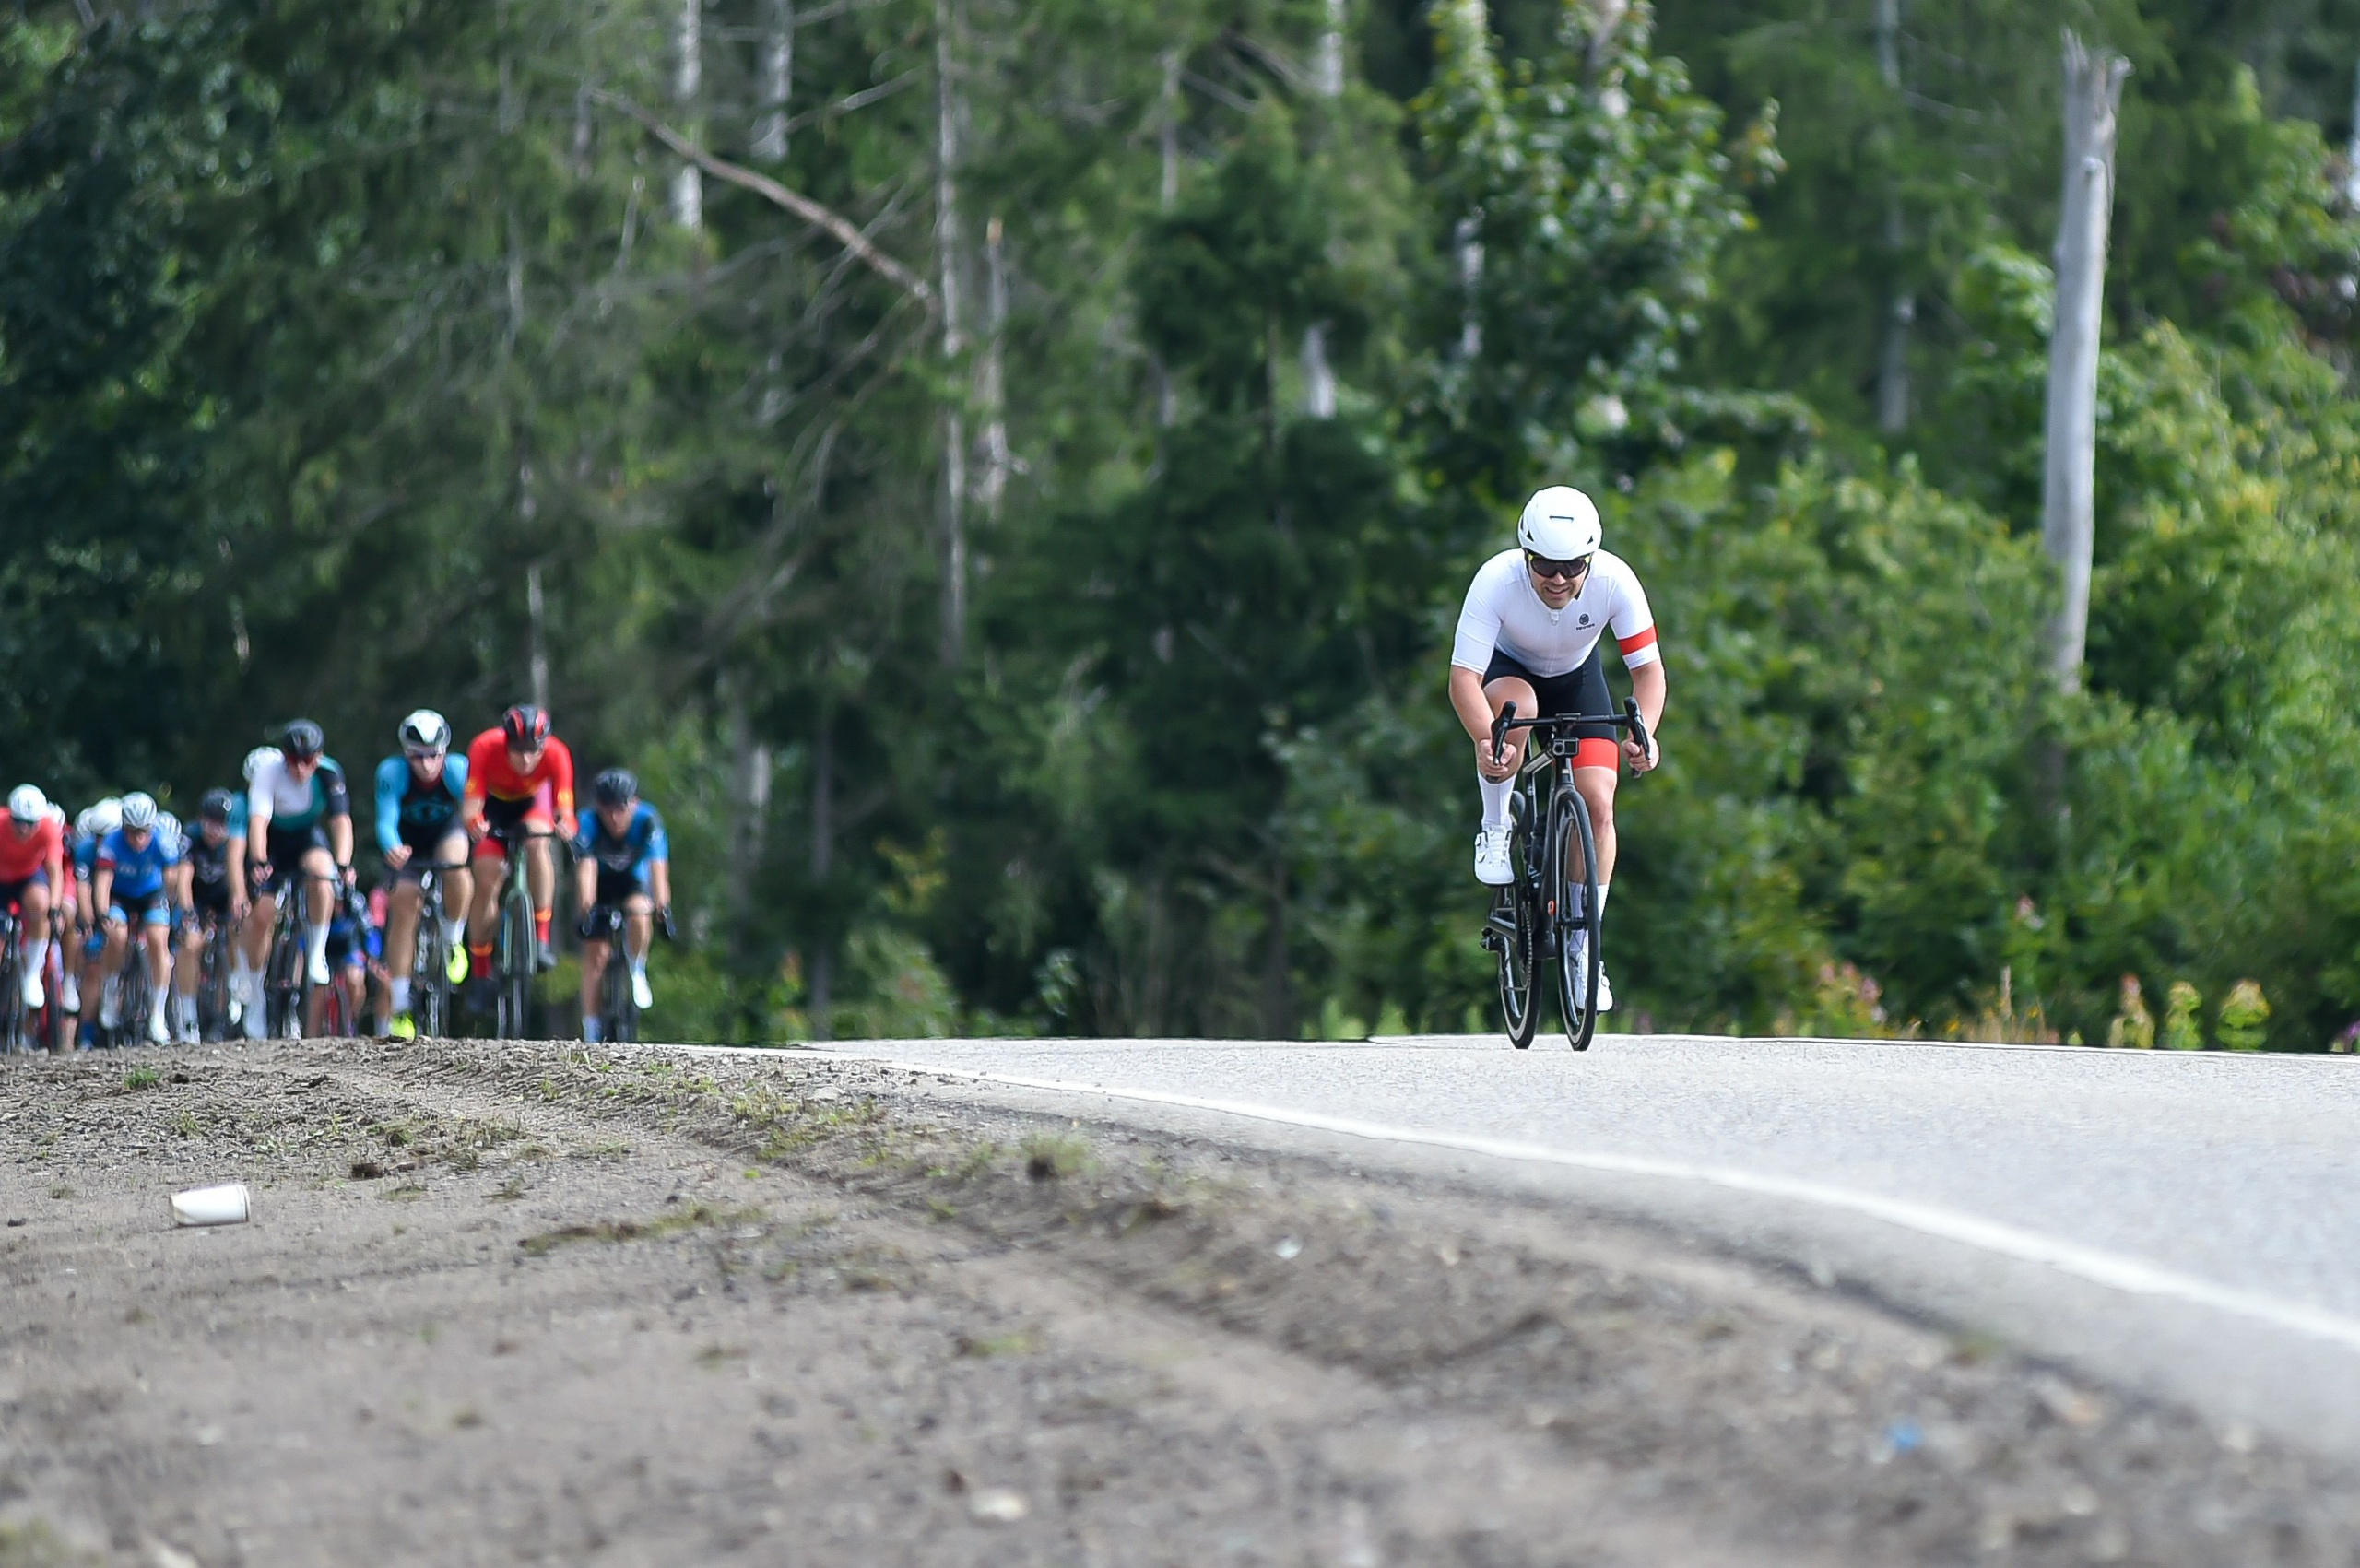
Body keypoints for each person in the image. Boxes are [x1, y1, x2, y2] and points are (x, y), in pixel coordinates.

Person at [1448, 484, 1665, 1013]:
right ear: (1526, 554)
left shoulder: (1615, 581)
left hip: (1576, 680)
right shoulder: (1496, 581)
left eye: (1572, 567)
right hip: (1510, 675)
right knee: (1515, 710)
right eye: (1545, 565)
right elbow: (1463, 679)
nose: (1559, 579)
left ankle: (1583, 944)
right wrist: (1487, 741)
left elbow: (1648, 672)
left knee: (1599, 803)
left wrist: (1644, 732)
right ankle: (1495, 827)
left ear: (1591, 561)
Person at [239, 721, 354, 1041]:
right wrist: (259, 860)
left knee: (323, 873)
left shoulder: (329, 773)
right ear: (284, 756)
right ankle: (256, 994)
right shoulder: (268, 773)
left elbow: (341, 823)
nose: (301, 769)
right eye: (294, 760)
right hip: (274, 845)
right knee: (262, 916)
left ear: (319, 757)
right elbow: (258, 823)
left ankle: (316, 952)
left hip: (306, 839)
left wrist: (343, 864)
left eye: (308, 761)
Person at [461, 703, 576, 997]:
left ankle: (542, 938)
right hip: (493, 808)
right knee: (487, 879)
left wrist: (566, 826)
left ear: (543, 745)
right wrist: (476, 824)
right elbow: (471, 807)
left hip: (532, 805)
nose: (525, 759)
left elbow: (565, 810)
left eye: (532, 750)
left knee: (538, 841)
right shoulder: (484, 747)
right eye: (517, 750)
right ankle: (481, 968)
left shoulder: (557, 753)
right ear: (506, 741)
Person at [374, 709, 473, 1040]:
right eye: (418, 757)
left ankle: (453, 940)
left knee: (456, 867)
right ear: (406, 754)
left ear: (444, 752)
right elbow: (385, 820)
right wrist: (393, 847)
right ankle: (401, 1004)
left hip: (445, 833)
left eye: (434, 756)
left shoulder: (457, 769)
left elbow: (471, 811)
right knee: (404, 906)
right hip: (408, 842)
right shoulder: (392, 773)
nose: (427, 765)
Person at [572, 768, 671, 1043]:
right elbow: (586, 870)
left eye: (621, 809)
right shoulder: (588, 821)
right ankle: (591, 1027)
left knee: (640, 912)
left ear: (634, 803)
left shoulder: (648, 821)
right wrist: (586, 910)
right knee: (595, 956)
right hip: (601, 883)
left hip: (633, 881)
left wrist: (663, 909)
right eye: (607, 810)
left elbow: (658, 870)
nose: (614, 818)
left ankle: (637, 966)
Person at [92, 792, 184, 1044]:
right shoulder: (111, 843)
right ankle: (111, 987)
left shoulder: (163, 840)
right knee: (117, 935)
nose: (139, 839)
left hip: (151, 894)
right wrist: (102, 913)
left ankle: (157, 1014)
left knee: (157, 940)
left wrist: (171, 910)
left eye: (144, 832)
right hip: (120, 896)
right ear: (124, 828)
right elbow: (103, 882)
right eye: (132, 832)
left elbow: (172, 880)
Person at [173, 789, 241, 1043]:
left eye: (222, 824)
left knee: (237, 933)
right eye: (211, 822)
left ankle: (232, 990)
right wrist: (189, 912)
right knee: (191, 944)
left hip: (224, 895)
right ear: (201, 819)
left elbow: (240, 879)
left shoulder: (236, 839)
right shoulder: (190, 837)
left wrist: (239, 905)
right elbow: (184, 878)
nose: (216, 830)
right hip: (198, 897)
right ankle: (188, 1013)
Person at [0, 785, 65, 1012]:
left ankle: (32, 973)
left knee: (41, 905)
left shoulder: (49, 828)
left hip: (27, 877)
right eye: (18, 822)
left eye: (30, 823)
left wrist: (54, 908)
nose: (23, 829)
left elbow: (55, 872)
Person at [69, 798, 121, 1043]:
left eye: (106, 837)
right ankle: (87, 1030)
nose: (102, 843)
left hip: (122, 902)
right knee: (92, 967)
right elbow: (83, 888)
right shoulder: (86, 850)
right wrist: (90, 922)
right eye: (98, 837)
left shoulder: (125, 846)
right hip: (97, 905)